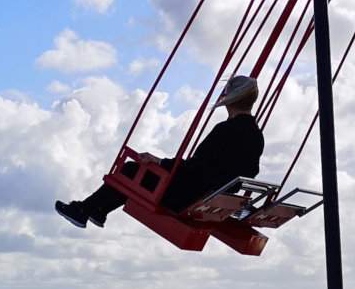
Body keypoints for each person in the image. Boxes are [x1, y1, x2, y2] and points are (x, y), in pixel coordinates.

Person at [55, 75, 264, 229]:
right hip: (210, 196)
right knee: (140, 174)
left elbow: (194, 168)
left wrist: (159, 161)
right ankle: (99, 210)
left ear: (230, 100)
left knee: (131, 170)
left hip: (186, 196)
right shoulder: (256, 135)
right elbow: (248, 172)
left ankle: (83, 210)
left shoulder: (225, 130)